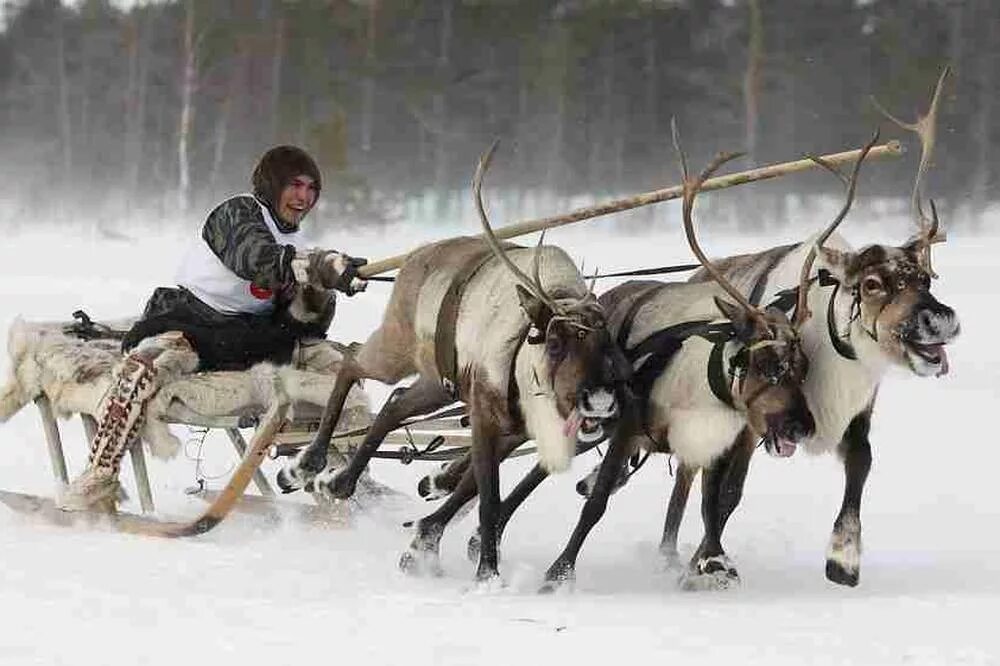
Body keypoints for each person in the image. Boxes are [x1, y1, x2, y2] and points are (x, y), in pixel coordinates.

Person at [60, 145, 367, 511]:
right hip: (191, 321)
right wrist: (316, 265)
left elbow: (304, 323)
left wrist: (324, 291)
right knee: (142, 367)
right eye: (295, 185)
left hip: (246, 337)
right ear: (272, 185)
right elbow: (255, 259)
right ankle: (97, 479)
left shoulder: (296, 241)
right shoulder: (236, 213)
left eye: (311, 188)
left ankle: (347, 476)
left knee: (342, 367)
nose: (304, 197)